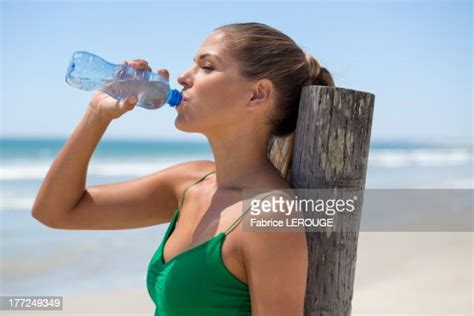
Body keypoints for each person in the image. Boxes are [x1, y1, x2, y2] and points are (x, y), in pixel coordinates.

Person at [32, 22, 335, 315]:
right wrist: (96, 114)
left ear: (257, 94)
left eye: (207, 66)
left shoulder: (270, 214)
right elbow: (55, 211)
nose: (182, 77)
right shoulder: (190, 182)